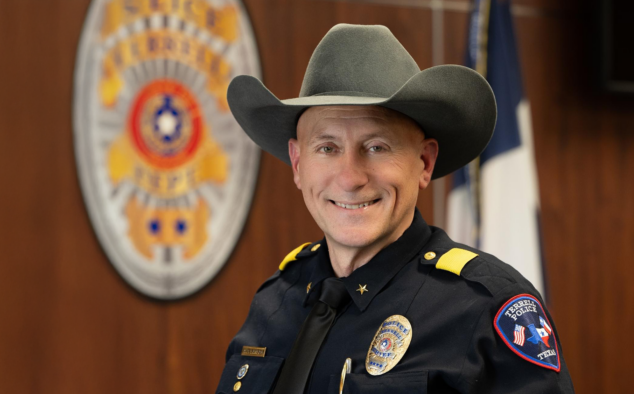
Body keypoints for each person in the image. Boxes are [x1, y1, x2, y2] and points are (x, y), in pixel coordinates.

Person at [216, 24, 575, 394]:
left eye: (376, 147)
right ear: (297, 163)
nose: (351, 178)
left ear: (423, 162)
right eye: (327, 148)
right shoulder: (276, 299)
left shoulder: (484, 308)